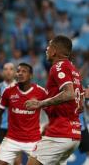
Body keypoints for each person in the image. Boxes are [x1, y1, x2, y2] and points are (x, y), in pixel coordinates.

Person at [25, 35, 84, 165]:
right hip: (74, 134)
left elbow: (69, 94)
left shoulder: (58, 67)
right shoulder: (74, 70)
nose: (46, 49)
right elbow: (81, 105)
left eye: (49, 46)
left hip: (60, 134)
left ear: (55, 51)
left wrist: (40, 104)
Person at [0, 63, 47, 165]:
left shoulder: (40, 92)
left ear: (31, 75)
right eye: (18, 71)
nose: (20, 73)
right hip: (12, 138)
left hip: (33, 139)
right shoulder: (8, 91)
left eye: (24, 71)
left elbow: (52, 112)